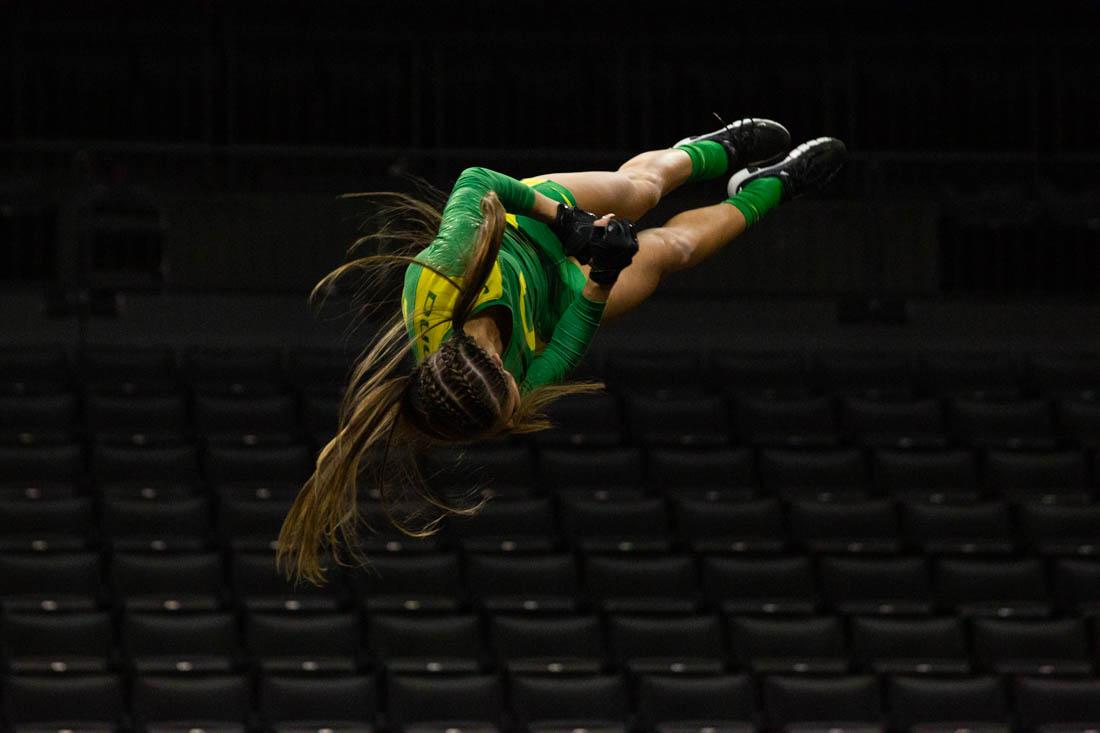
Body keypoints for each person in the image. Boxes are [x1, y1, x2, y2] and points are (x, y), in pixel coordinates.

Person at [278, 118, 846, 583]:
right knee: (671, 251)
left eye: (511, 395)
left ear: (490, 363)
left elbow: (477, 181)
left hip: (526, 225)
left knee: (638, 192)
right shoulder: (508, 389)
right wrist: (602, 274)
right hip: (555, 302)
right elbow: (574, 333)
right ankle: (773, 184)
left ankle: (707, 150)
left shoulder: (440, 283)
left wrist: (568, 221)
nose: (520, 402)